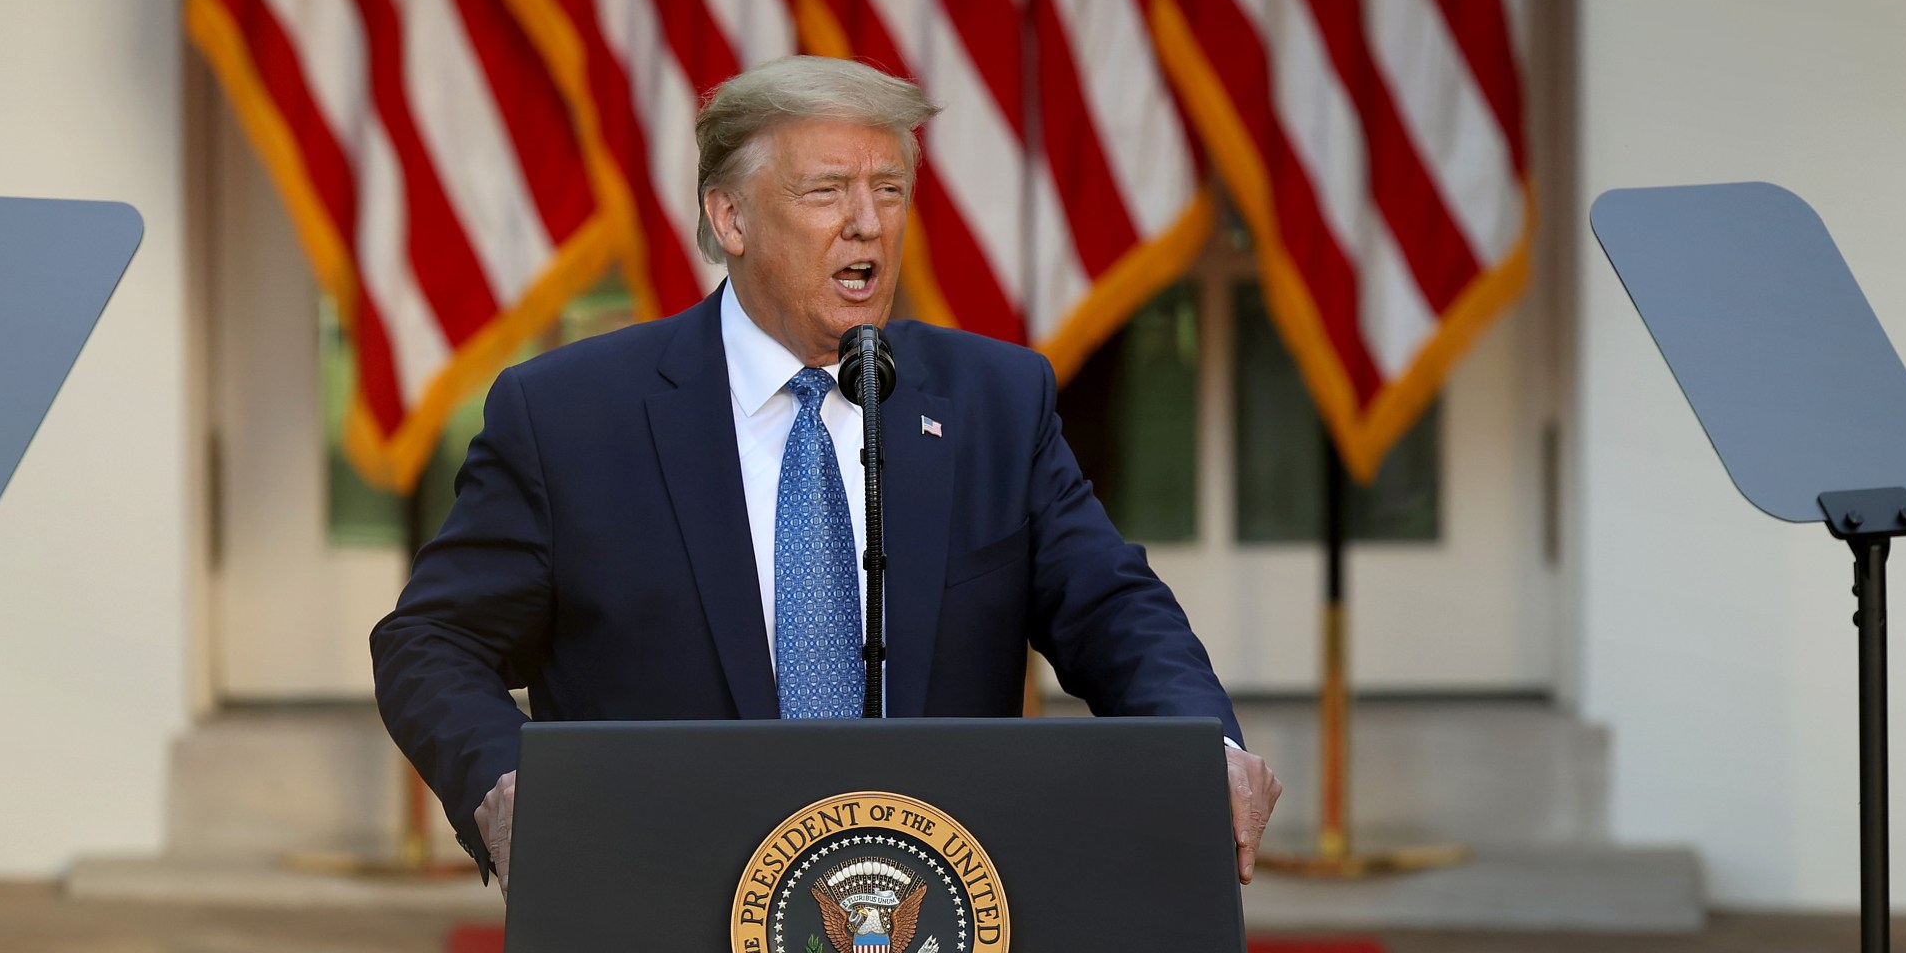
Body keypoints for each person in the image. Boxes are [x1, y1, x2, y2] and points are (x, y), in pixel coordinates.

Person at [371, 55, 1281, 887]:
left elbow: (1114, 609)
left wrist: (1200, 745)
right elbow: (430, 643)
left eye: (890, 188)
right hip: (657, 895)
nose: (868, 223)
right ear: (729, 218)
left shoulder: (994, 402)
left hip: (932, 922)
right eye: (827, 191)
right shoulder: (571, 417)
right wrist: (508, 779)